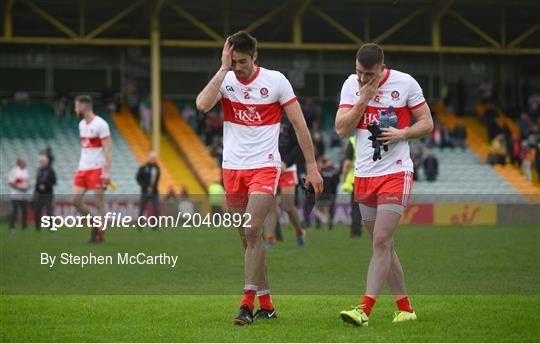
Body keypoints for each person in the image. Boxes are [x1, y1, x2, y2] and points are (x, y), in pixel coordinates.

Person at [195, 30, 323, 326]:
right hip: (232, 169)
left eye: (242, 61)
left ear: (255, 57)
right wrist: (223, 68)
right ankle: (267, 304)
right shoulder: (226, 79)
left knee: (253, 231)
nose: (238, 67)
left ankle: (245, 304)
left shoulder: (276, 81)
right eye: (233, 61)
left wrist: (312, 166)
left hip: (265, 166)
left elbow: (300, 125)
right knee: (248, 240)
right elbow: (202, 104)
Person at [335, 43, 433, 326]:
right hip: (365, 174)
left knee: (380, 240)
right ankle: (405, 308)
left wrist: (402, 133)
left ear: (381, 68)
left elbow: (427, 123)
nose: (362, 79)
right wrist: (362, 99)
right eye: (358, 72)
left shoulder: (405, 83)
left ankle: (363, 309)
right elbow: (341, 129)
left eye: (368, 74)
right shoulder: (351, 86)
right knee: (384, 246)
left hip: (396, 171)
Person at [72, 95, 112, 243]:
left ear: (83, 107)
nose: (75, 109)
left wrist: (107, 171)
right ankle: (96, 225)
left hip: (97, 169)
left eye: (76, 106)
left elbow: (108, 148)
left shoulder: (101, 124)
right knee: (75, 201)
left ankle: (101, 235)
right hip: (83, 168)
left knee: (99, 203)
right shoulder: (81, 124)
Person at [264, 116, 307, 249]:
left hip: (287, 168)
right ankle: (271, 239)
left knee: (288, 206)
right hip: (268, 168)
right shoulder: (265, 116)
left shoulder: (290, 118)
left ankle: (299, 231)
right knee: (269, 207)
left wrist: (286, 162)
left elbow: (299, 146)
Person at [341, 136, 362, 237]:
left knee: (356, 208)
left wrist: (344, 177)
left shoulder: (353, 140)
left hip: (356, 179)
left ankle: (356, 231)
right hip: (372, 177)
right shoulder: (373, 137)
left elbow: (347, 163)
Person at [33, 154, 56, 230]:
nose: (41, 162)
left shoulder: (51, 170)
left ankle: (51, 226)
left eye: (42, 161)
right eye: (40, 161)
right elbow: (37, 182)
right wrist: (35, 191)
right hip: (39, 194)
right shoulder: (39, 170)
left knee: (49, 211)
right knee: (37, 211)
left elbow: (54, 182)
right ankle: (37, 227)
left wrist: (45, 186)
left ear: (46, 161)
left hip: (48, 194)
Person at [136, 151, 161, 223]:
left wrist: (153, 188)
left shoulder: (157, 168)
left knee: (156, 208)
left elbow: (156, 180)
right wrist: (146, 187)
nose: (153, 159)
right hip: (145, 191)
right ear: (149, 158)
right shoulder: (143, 167)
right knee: (142, 208)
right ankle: (140, 225)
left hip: (154, 192)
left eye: (154, 158)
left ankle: (154, 225)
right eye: (152, 157)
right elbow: (138, 178)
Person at [8, 158, 31, 232]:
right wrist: (20, 189)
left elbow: (27, 182)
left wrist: (28, 186)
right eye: (24, 162)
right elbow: (10, 183)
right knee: (15, 211)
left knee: (25, 211)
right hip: (16, 195)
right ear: (19, 163)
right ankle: (12, 227)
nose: (25, 163)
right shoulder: (13, 171)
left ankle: (24, 227)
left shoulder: (26, 171)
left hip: (24, 195)